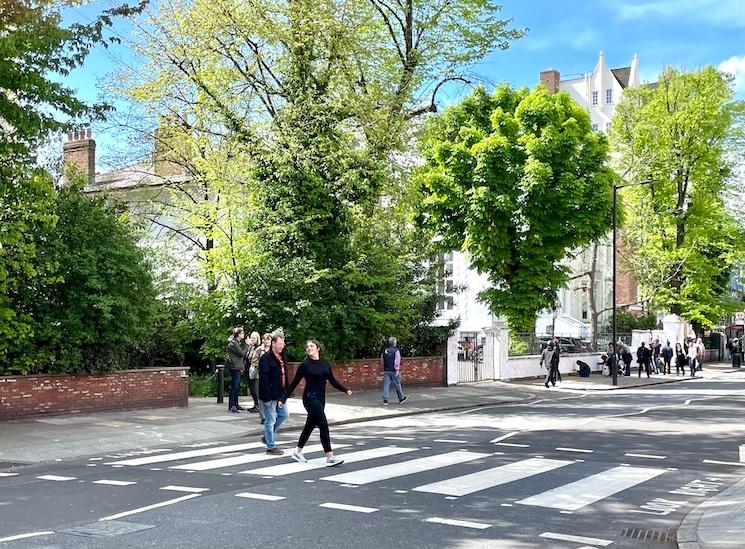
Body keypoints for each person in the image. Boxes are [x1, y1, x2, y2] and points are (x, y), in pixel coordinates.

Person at [283, 340, 352, 467]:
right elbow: (294, 383)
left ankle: (297, 452)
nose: (309, 348)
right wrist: (283, 398)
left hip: (321, 399)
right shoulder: (305, 365)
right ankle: (329, 457)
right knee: (323, 425)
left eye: (311, 346)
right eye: (307, 347)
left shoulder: (325, 364)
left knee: (309, 425)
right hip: (309, 398)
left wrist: (345, 389)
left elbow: (332, 380)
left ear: (318, 348)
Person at [259, 332, 290, 455]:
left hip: (280, 394)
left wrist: (286, 394)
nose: (282, 346)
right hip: (270, 395)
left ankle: (267, 436)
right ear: (273, 343)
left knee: (284, 415)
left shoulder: (282, 356)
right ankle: (271, 446)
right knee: (270, 420)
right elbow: (264, 379)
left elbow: (285, 376)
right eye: (280, 344)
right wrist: (266, 397)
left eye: (283, 343)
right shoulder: (266, 358)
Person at [250, 333, 272, 424]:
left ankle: (270, 415)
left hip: (271, 375)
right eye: (265, 339)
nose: (266, 341)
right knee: (262, 396)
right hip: (261, 375)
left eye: (268, 339)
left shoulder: (273, 350)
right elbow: (253, 360)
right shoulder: (260, 349)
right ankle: (263, 416)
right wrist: (261, 364)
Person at [225, 327, 247, 413]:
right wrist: (247, 345)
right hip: (235, 367)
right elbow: (242, 354)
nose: (243, 335)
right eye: (242, 333)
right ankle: (232, 406)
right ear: (238, 334)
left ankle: (236, 404)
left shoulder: (235, 342)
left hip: (236, 367)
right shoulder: (234, 343)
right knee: (235, 386)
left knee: (236, 387)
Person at [381, 337, 407, 405]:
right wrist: (397, 370)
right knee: (397, 384)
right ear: (395, 343)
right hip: (393, 370)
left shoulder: (385, 350)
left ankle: (385, 400)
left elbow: (382, 360)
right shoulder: (396, 351)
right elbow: (397, 361)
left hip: (386, 370)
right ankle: (401, 398)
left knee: (386, 385)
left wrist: (384, 367)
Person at [244, 331, 261, 413]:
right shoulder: (250, 347)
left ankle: (258, 405)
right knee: (251, 388)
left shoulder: (259, 348)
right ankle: (255, 404)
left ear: (257, 339)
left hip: (255, 370)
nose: (252, 339)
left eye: (254, 338)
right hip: (248, 369)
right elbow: (246, 356)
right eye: (251, 337)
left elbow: (258, 359)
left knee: (255, 388)